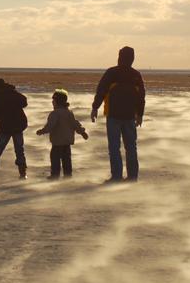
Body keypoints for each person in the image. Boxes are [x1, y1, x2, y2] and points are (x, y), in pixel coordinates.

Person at [91, 46, 145, 182]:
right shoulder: (136, 75)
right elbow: (141, 97)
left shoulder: (112, 72)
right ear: (133, 58)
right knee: (131, 147)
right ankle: (132, 177)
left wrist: (94, 107)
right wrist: (140, 114)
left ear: (119, 57)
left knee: (115, 148)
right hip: (129, 116)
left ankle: (117, 176)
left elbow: (101, 90)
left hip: (114, 115)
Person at [36, 89, 88, 179]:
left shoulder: (55, 113)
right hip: (67, 142)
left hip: (57, 142)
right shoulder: (69, 113)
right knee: (67, 159)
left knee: (55, 159)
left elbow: (50, 126)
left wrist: (42, 131)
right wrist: (82, 132)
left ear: (57, 101)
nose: (52, 102)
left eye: (53, 100)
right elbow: (75, 124)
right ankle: (68, 175)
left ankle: (55, 175)